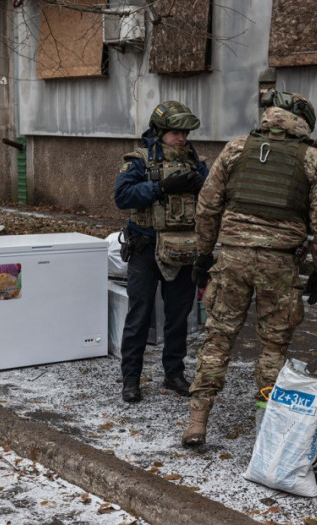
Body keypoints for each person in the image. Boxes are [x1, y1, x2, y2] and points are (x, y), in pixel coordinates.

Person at [182, 90, 317, 446]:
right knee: (273, 346)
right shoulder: (313, 159)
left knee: (218, 338)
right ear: (304, 123)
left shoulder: (237, 148)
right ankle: (266, 428)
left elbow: (207, 206)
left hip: (233, 257)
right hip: (280, 263)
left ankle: (197, 421)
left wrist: (204, 254)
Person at [114, 101, 208, 403]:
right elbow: (122, 196)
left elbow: (213, 202)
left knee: (178, 316)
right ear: (160, 132)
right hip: (146, 248)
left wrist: (202, 185)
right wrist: (161, 187)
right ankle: (131, 378)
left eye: (184, 133)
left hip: (185, 250)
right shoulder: (139, 160)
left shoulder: (197, 162)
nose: (181, 138)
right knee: (139, 316)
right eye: (174, 133)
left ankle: (174, 373)